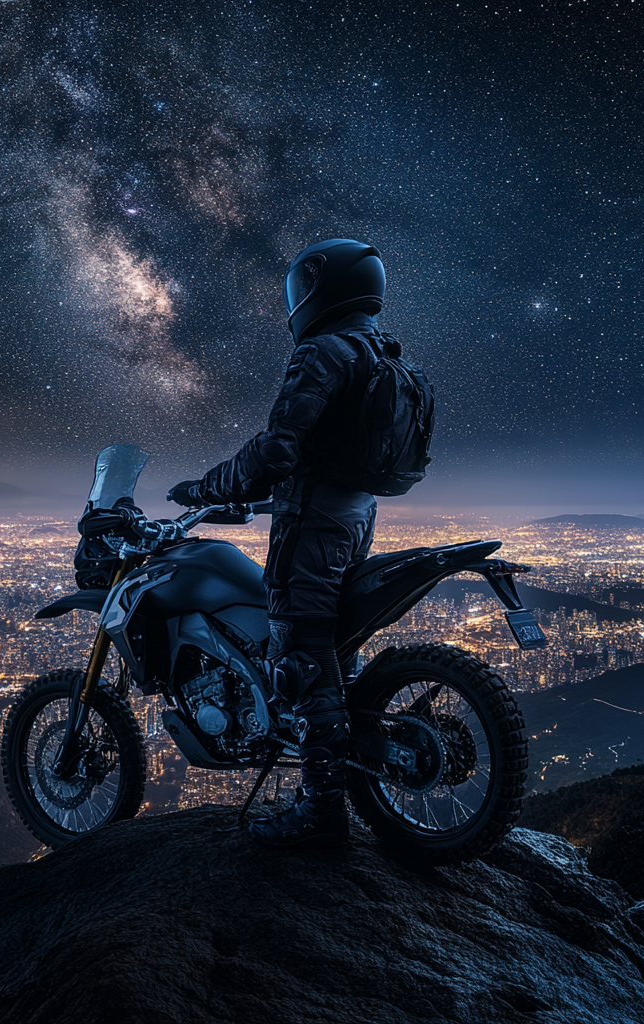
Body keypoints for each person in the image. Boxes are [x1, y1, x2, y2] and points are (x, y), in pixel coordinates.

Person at [167, 238, 397, 849]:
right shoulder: (379, 351)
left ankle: (322, 814)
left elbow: (278, 450)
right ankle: (345, 784)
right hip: (357, 515)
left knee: (300, 655)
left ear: (315, 287)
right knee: (334, 652)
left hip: (314, 520)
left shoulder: (324, 351)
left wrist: (205, 487)